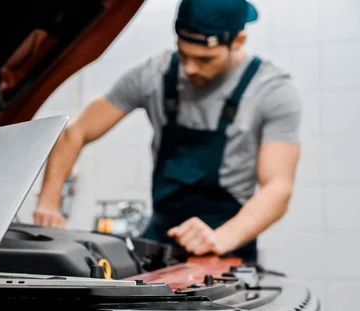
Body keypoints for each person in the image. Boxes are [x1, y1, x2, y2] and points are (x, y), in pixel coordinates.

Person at [33, 0, 302, 262]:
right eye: (183, 54)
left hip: (227, 244)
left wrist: (220, 239)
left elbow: (278, 187)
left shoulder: (271, 90)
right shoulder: (152, 75)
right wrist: (48, 204)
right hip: (160, 239)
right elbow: (76, 132)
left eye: (204, 59)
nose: (190, 69)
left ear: (238, 41)